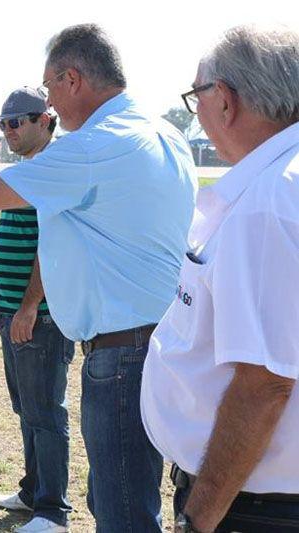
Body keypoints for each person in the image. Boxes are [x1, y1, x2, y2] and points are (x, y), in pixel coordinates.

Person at [0, 24, 197, 531]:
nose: (49, 102)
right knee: (132, 499)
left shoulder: (93, 145)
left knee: (121, 512)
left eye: (48, 89)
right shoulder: (165, 132)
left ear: (72, 79)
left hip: (120, 354)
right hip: (161, 340)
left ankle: (48, 504)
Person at [140, 25, 299, 533]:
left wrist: (199, 519)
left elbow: (264, 384)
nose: (199, 115)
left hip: (249, 505)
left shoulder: (268, 205)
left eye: (197, 98)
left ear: (225, 101)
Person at [0, 88, 73, 532]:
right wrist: (4, 298)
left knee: (46, 411)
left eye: (15, 122)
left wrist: (30, 304)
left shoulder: (53, 169)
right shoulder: (26, 170)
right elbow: (15, 236)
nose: (7, 131)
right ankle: (33, 491)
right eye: (2, 124)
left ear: (45, 120)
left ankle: (52, 512)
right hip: (18, 310)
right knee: (27, 408)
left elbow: (51, 245)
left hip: (41, 316)